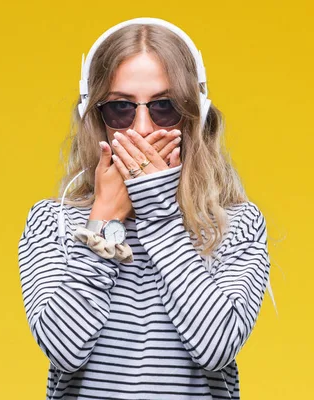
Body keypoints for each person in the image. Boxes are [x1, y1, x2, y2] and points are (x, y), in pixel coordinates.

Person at [17, 17, 271, 399]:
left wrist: (159, 214)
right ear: (96, 116)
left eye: (164, 106)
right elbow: (63, 350)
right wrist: (102, 222)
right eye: (120, 108)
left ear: (193, 114)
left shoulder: (236, 225)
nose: (141, 127)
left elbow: (217, 349)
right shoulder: (52, 221)